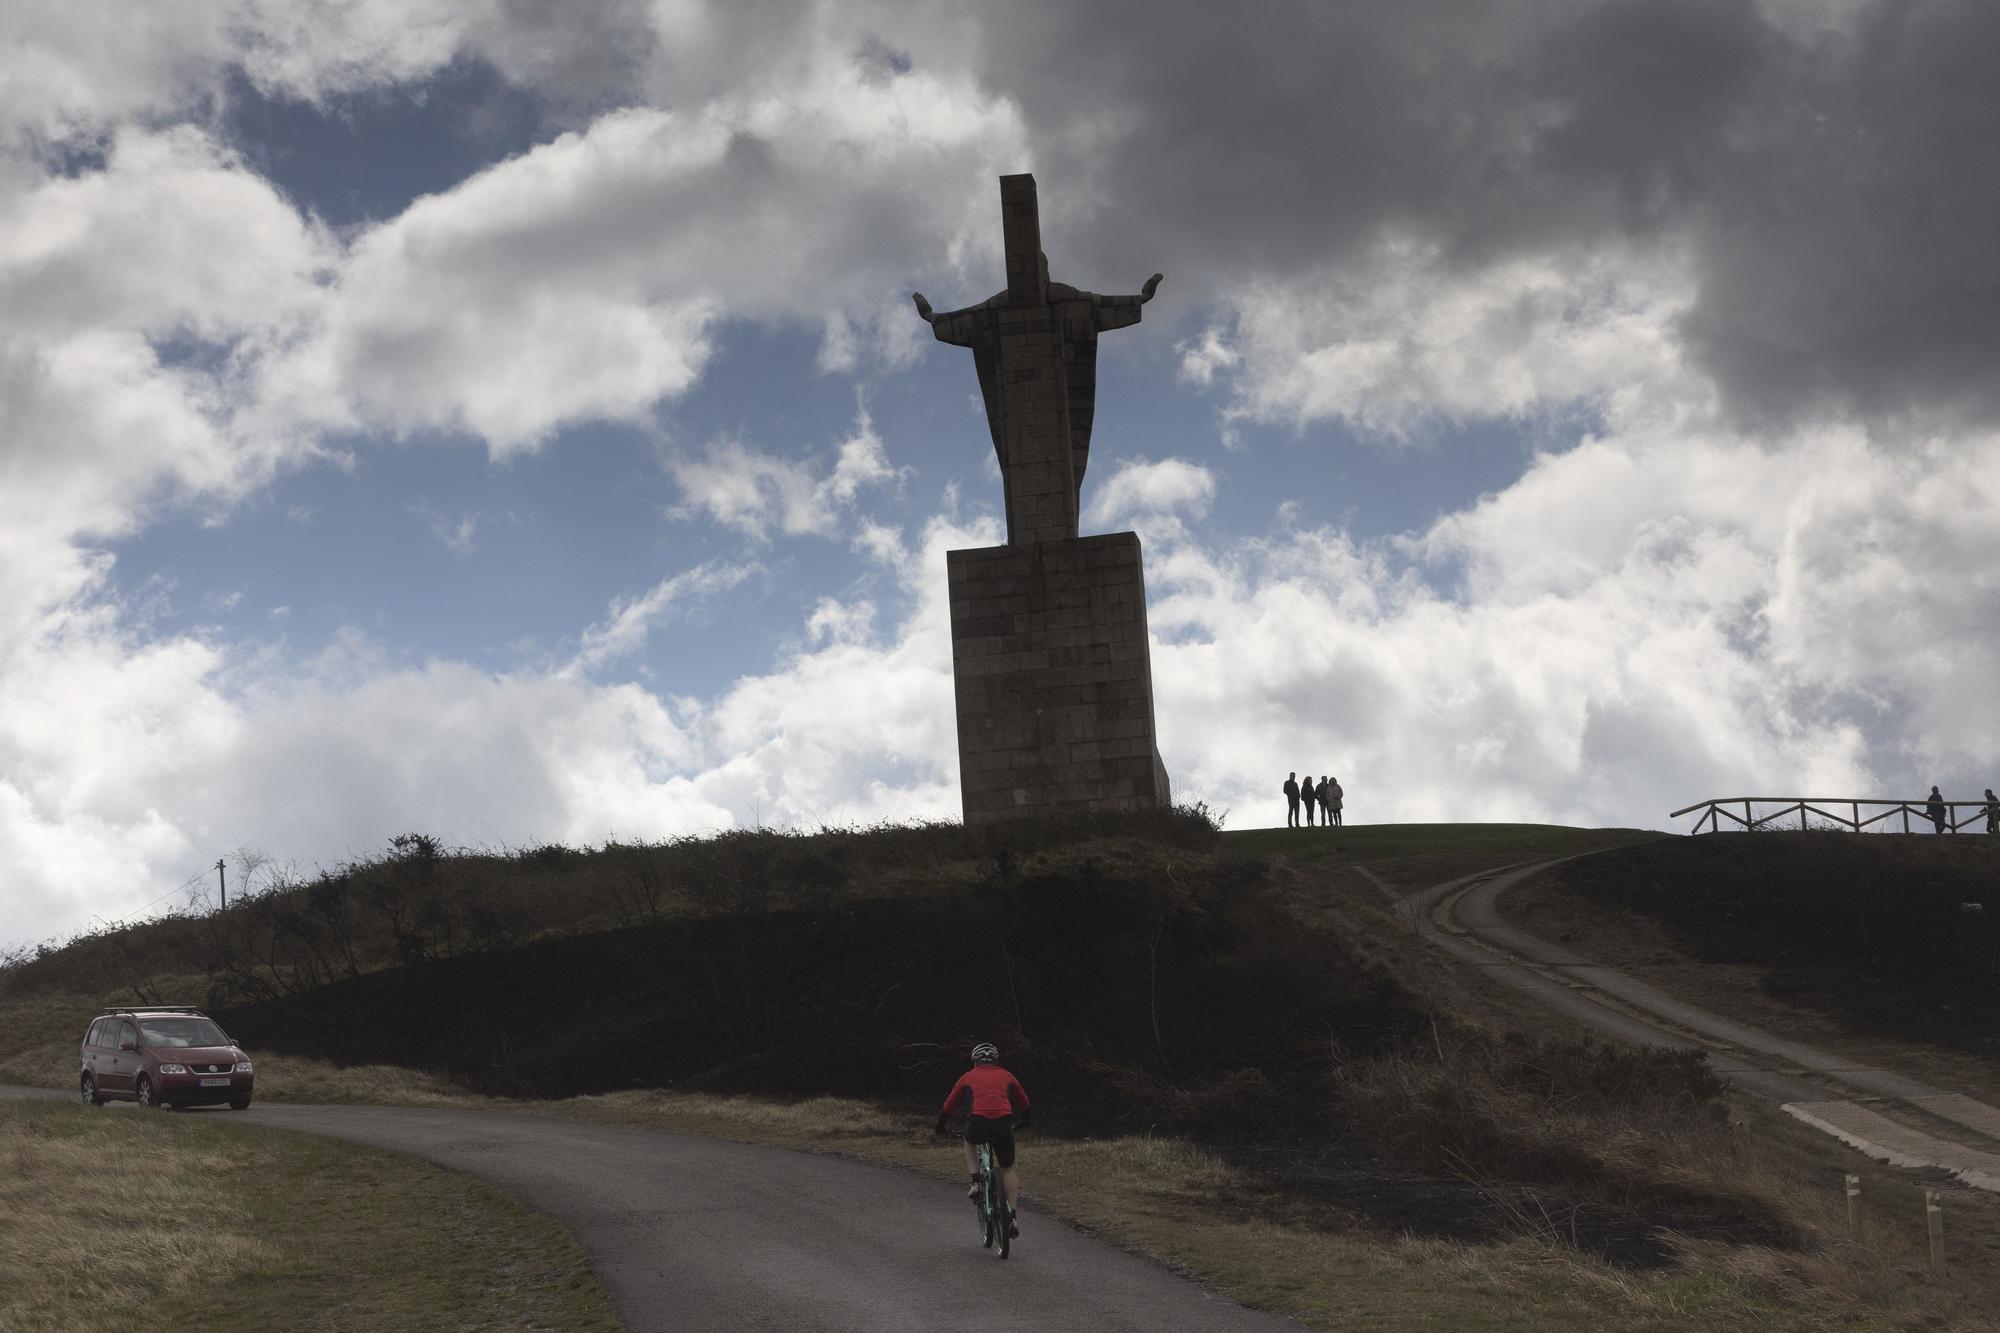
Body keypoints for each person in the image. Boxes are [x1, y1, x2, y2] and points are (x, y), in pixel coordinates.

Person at [935, 1042, 1032, 1237]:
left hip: (978, 1122)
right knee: (1008, 1168)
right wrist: (1024, 1122)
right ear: (996, 1061)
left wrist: (940, 1127)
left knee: (969, 1139)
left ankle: (976, 1182)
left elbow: (949, 1105)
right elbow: (1024, 1102)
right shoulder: (1007, 1075)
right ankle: (1012, 1216)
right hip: (1003, 1123)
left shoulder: (968, 1077)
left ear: (975, 1061)